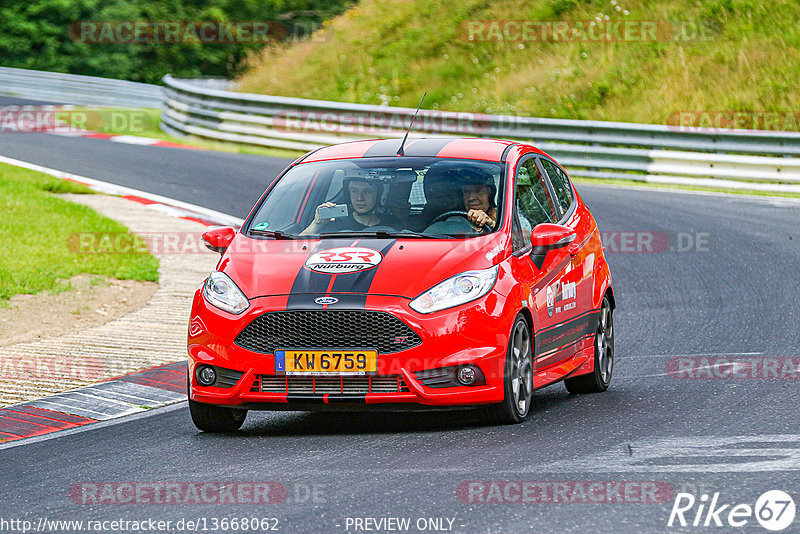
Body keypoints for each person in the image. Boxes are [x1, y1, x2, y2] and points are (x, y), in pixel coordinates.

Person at [301, 178, 399, 235]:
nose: (360, 198)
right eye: (354, 191)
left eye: (367, 192)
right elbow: (299, 246)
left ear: (378, 196)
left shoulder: (393, 223)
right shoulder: (335, 223)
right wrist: (316, 224)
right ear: (348, 195)